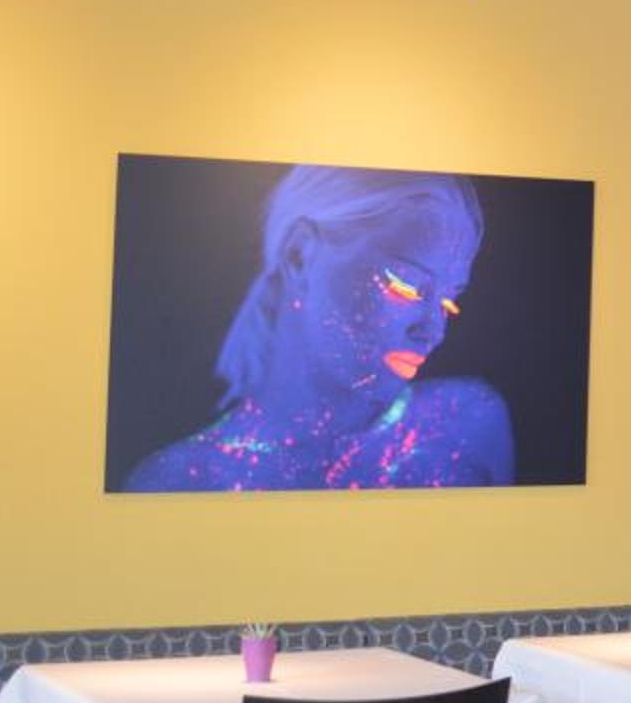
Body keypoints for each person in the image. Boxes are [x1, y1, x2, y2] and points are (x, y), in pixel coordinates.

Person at [125, 164, 514, 491]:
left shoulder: (465, 423)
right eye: (405, 286)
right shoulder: (180, 480)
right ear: (300, 255)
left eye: (448, 301)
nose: (434, 331)